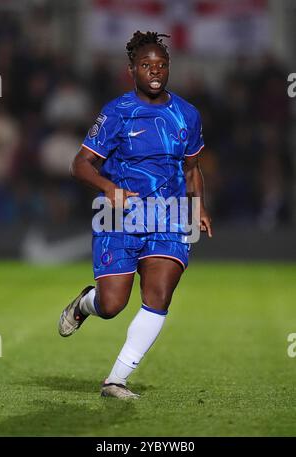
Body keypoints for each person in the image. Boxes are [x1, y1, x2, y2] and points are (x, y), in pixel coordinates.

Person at [58, 31, 212, 399]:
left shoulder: (187, 115)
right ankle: (85, 303)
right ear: (132, 71)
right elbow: (80, 165)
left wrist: (199, 204)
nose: (155, 71)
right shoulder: (116, 113)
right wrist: (109, 188)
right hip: (120, 217)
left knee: (159, 294)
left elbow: (192, 169)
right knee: (111, 305)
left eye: (161, 65)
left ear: (169, 67)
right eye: (146, 65)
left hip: (171, 215)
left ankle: (116, 380)